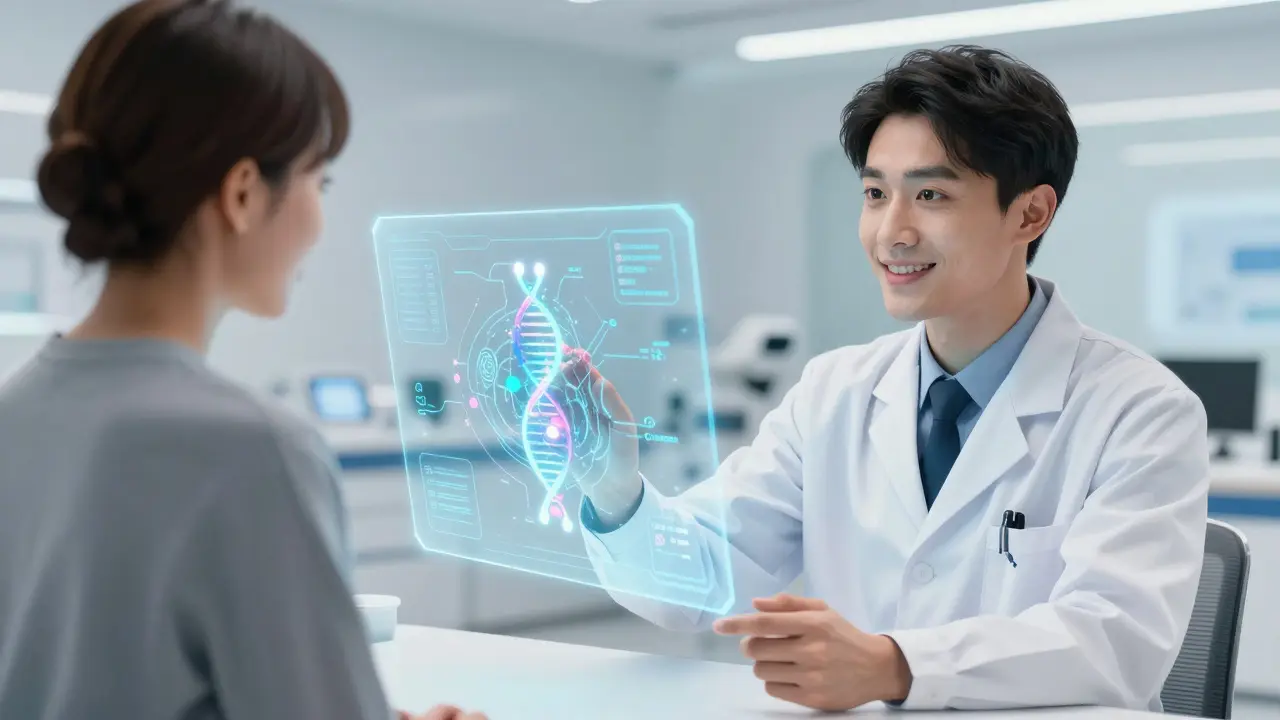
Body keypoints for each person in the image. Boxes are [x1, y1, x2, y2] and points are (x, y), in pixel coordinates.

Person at [561, 45, 1209, 713]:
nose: (890, 233)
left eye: (930, 195)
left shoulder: (1141, 410)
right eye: (875, 194)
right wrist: (616, 497)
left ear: (1030, 214)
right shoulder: (834, 390)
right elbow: (700, 581)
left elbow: (1114, 641)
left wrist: (898, 666)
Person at [0, 2, 486, 719]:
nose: (320, 221)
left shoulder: (15, 413)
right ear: (242, 193)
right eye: (320, 184)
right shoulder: (253, 453)